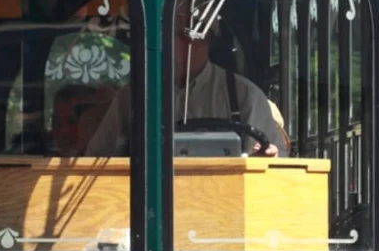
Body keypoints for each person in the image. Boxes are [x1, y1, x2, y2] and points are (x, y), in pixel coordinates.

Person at [85, 25, 288, 157]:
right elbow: (98, 160)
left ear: (210, 39)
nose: (192, 41)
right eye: (181, 33)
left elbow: (277, 172)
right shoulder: (133, 97)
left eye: (199, 32)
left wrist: (269, 159)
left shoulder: (245, 96)